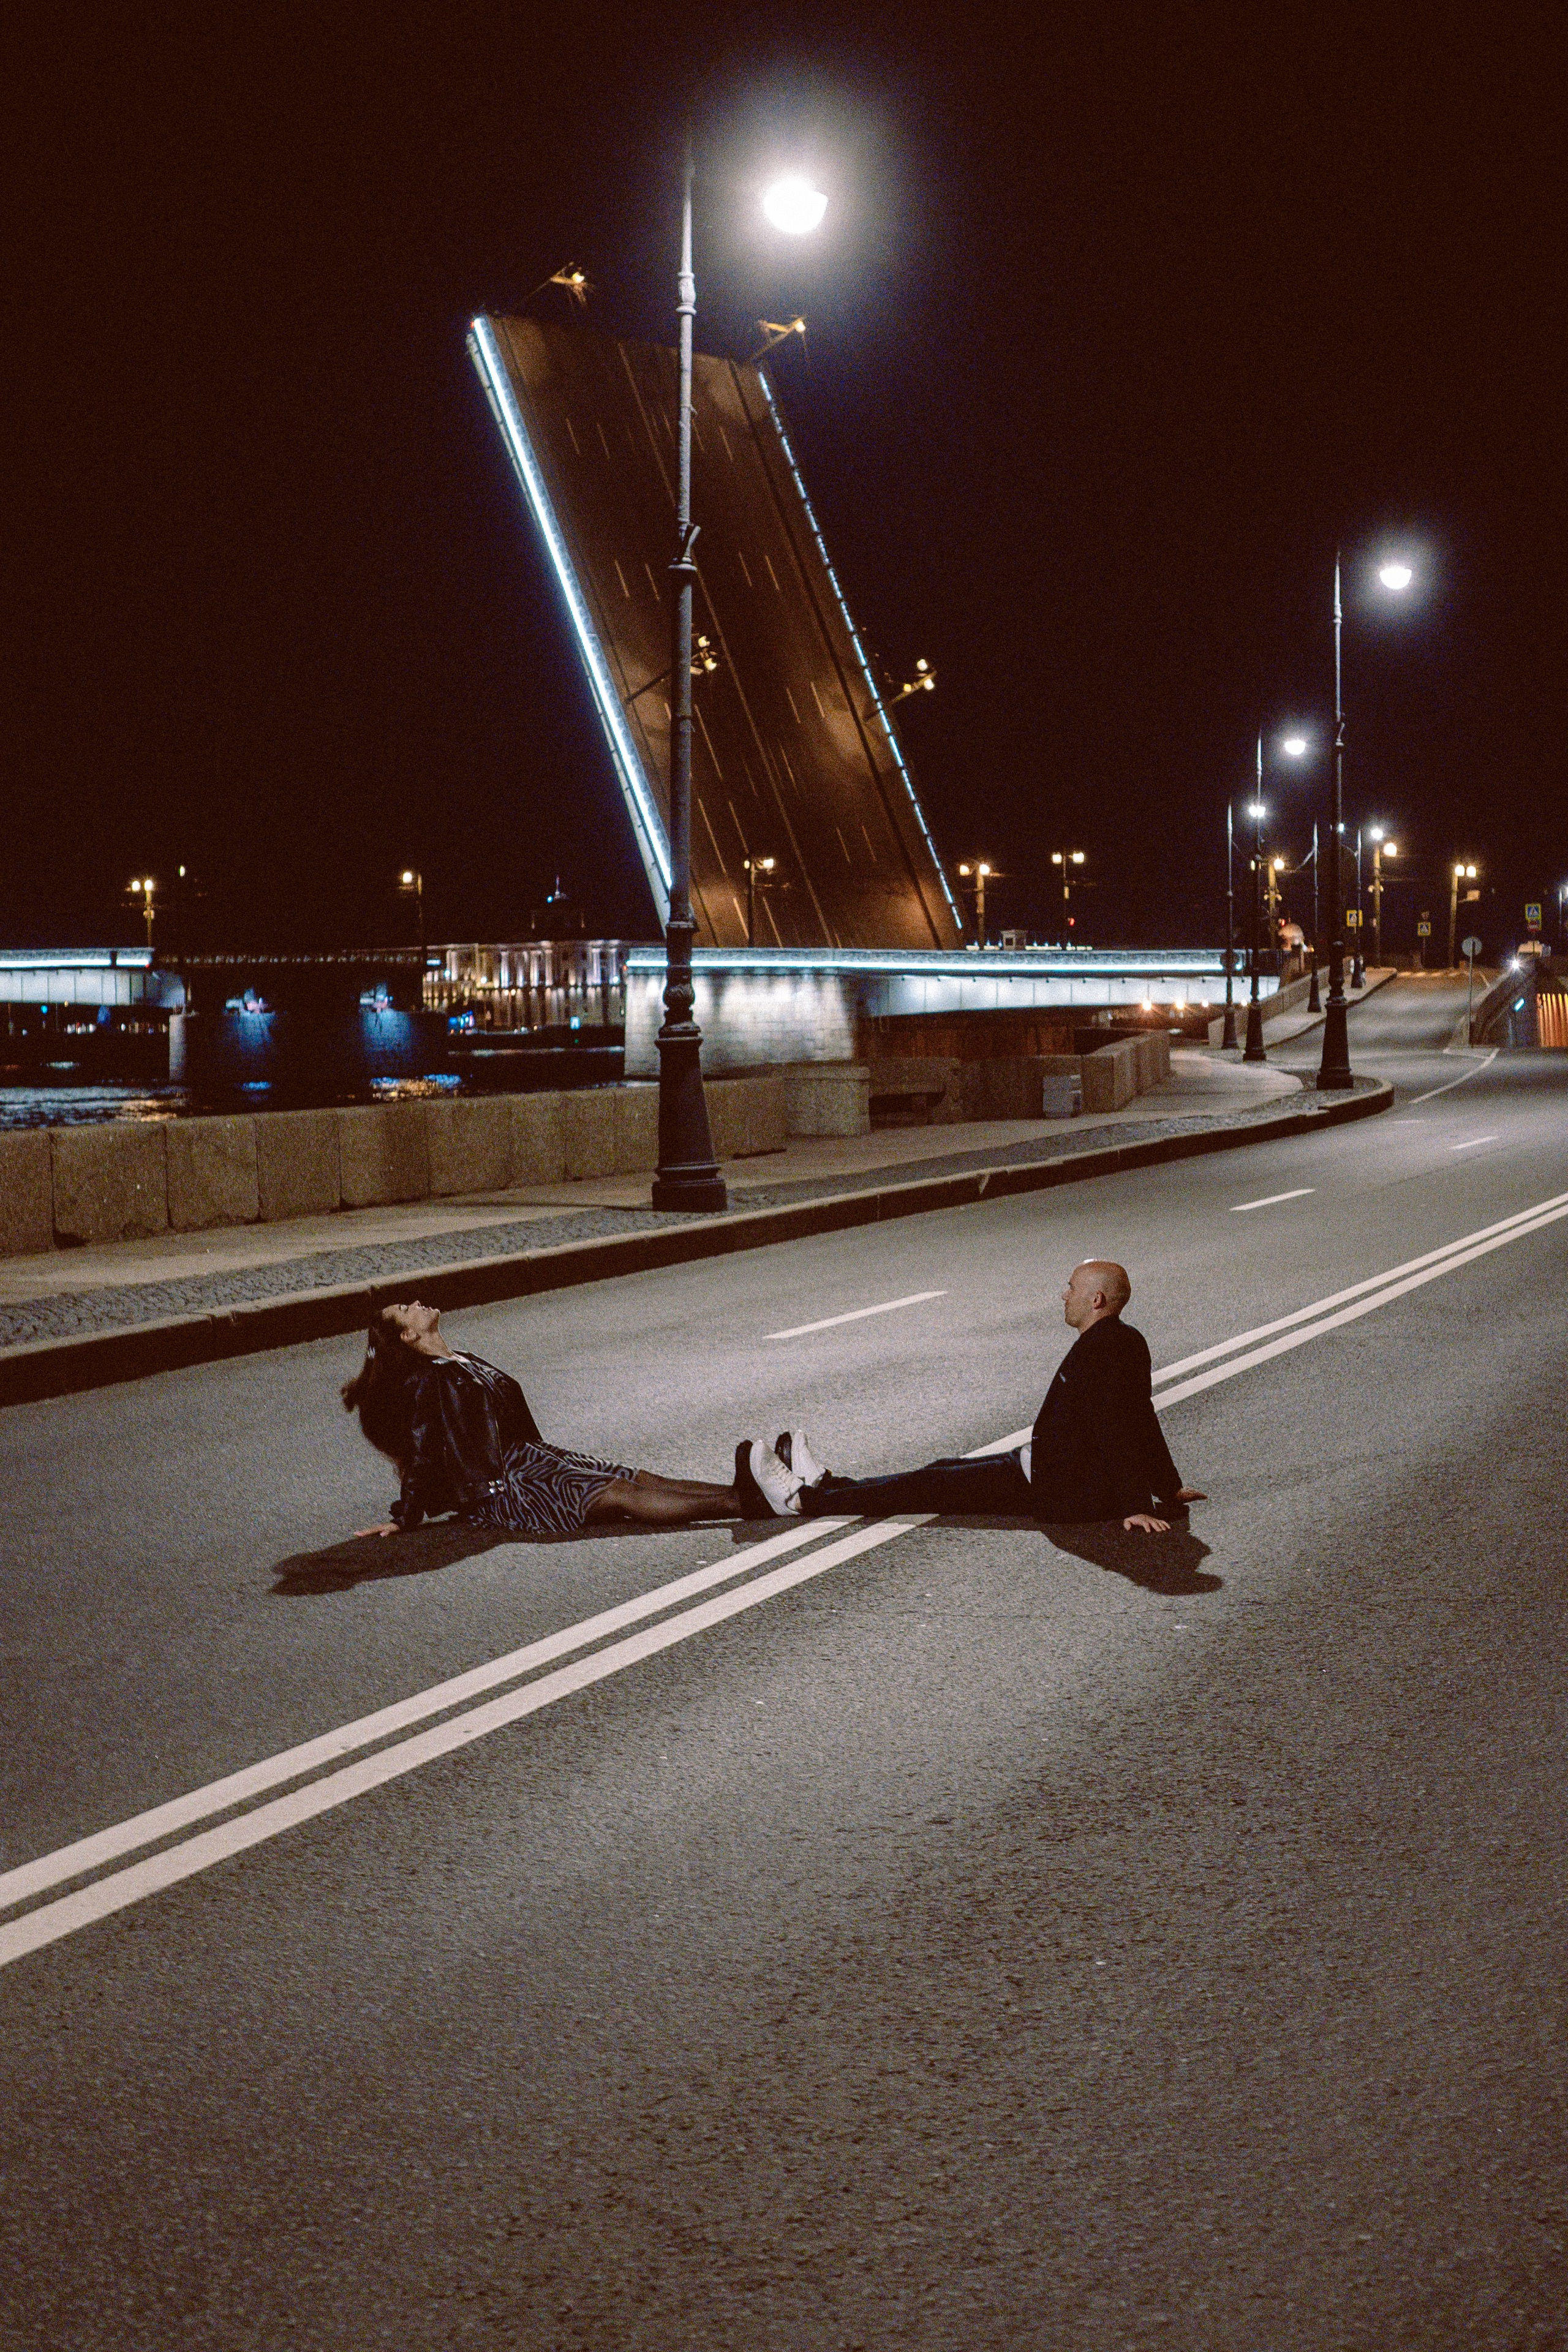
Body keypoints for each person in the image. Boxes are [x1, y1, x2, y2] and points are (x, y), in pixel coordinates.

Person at [739, 1259, 1204, 1534]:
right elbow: (1142, 1416)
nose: (1064, 1295)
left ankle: (802, 1501)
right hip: (1035, 1466)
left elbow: (1120, 1425)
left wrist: (1135, 1506)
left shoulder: (1107, 1348)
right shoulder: (1121, 1340)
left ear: (1097, 1300)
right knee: (936, 1472)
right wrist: (1166, 1485)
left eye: (1073, 1288)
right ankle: (827, 1484)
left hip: (1047, 1485)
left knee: (922, 1488)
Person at [344, 1300, 750, 1539]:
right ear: (409, 1337)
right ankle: (744, 1501)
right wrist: (407, 1515)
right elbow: (424, 1450)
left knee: (639, 1478)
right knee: (619, 1493)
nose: (416, 1303)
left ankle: (746, 1493)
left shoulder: (461, 1360)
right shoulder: (431, 1382)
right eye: (405, 1310)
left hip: (532, 1458)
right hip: (509, 1485)